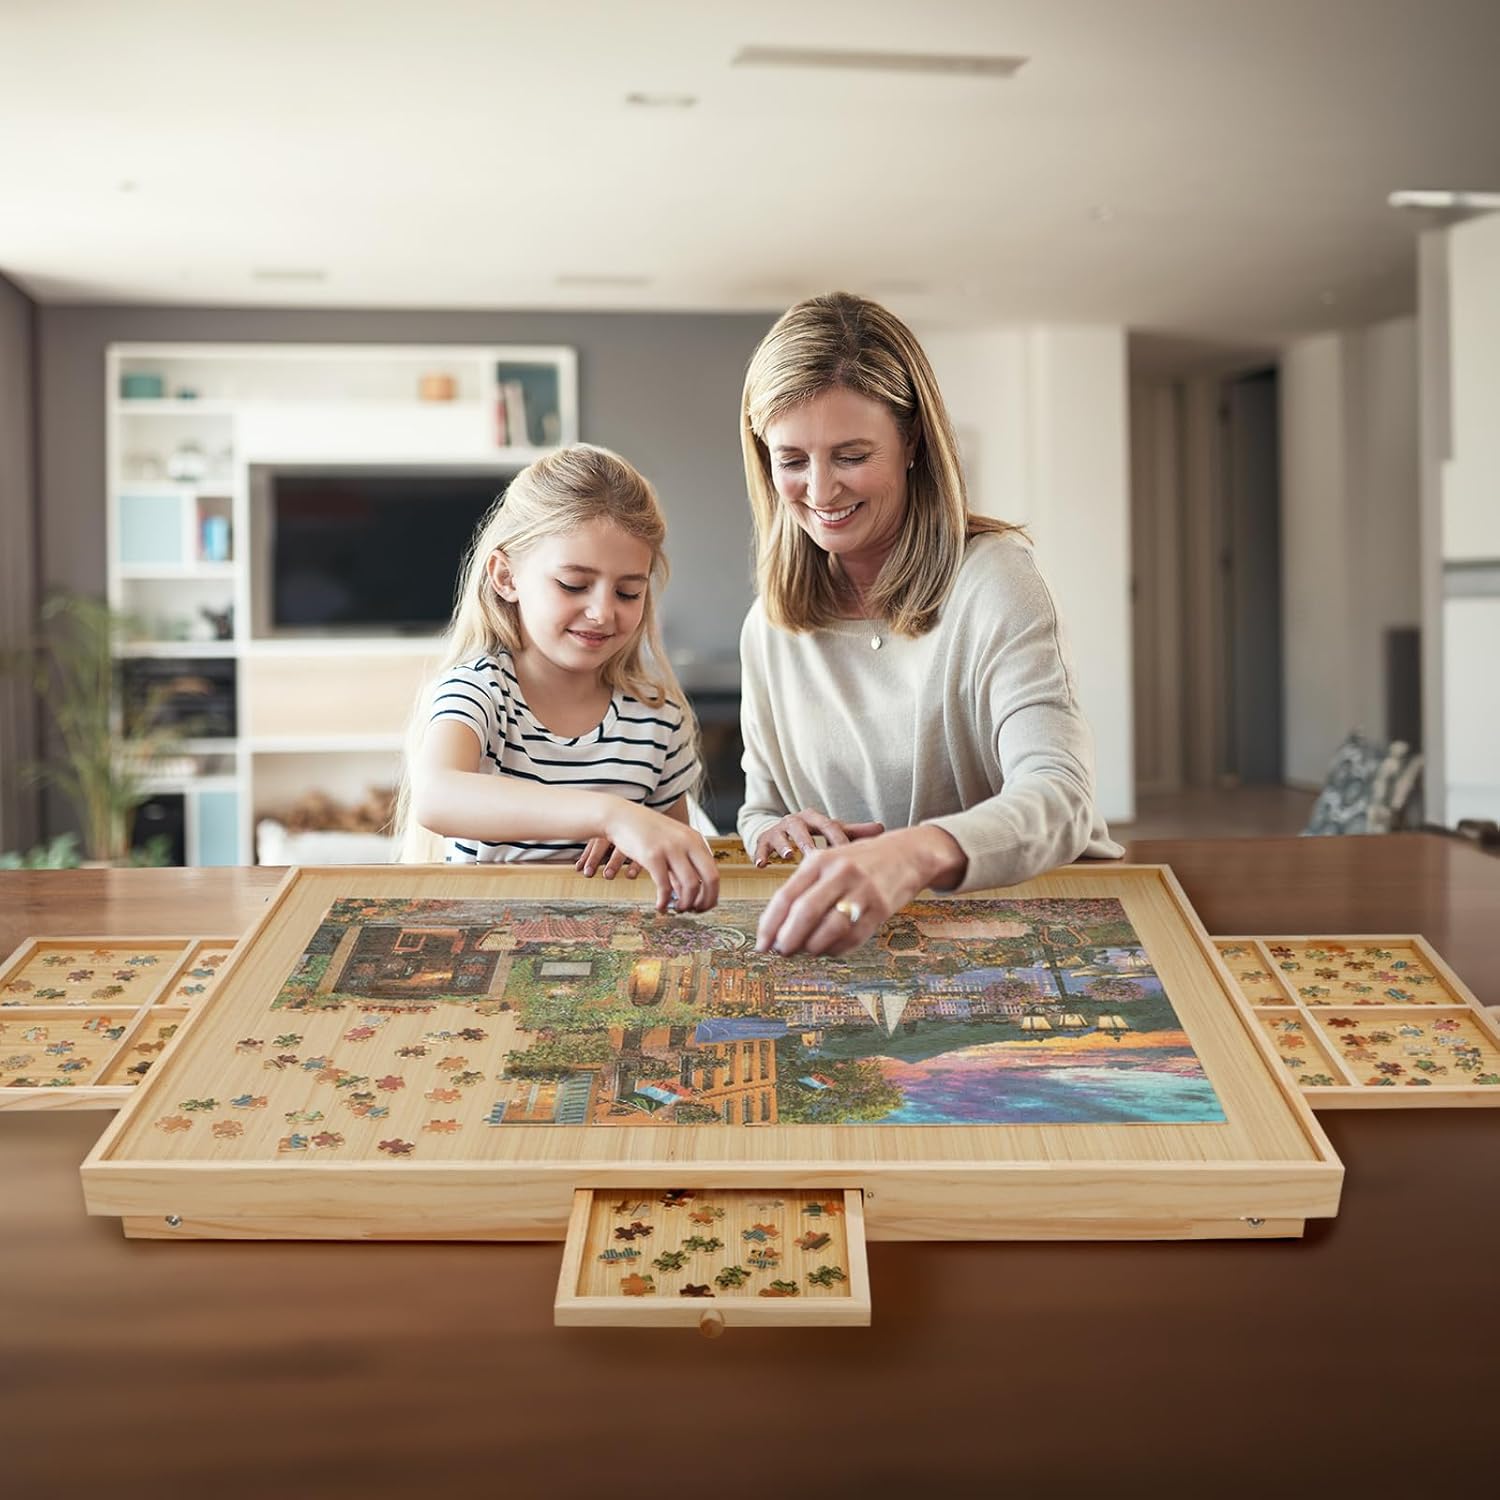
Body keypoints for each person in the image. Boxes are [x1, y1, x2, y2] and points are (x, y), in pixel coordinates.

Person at [737, 291, 1123, 956]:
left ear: (913, 441)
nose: (821, 491)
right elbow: (761, 807)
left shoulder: (997, 581)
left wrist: (911, 856)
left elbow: (1062, 797)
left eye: (852, 455)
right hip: (864, 948)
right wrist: (774, 832)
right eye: (792, 460)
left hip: (1018, 937)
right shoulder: (769, 626)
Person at [399, 443, 718, 914]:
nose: (602, 612)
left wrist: (645, 849)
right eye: (573, 585)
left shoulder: (658, 720)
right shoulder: (479, 691)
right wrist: (611, 815)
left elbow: (678, 858)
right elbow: (437, 794)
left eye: (629, 592)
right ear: (506, 577)